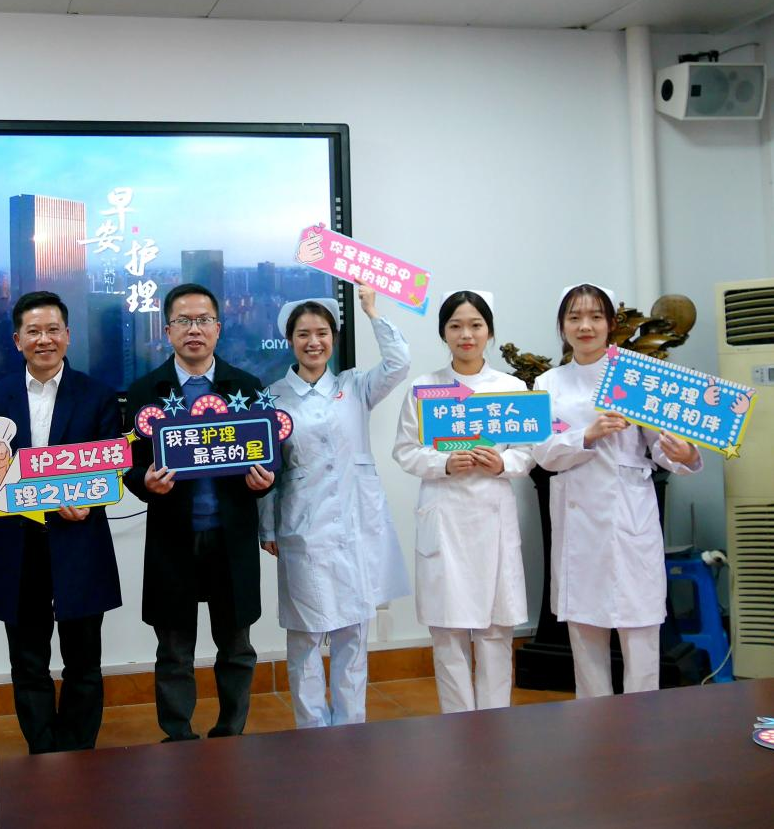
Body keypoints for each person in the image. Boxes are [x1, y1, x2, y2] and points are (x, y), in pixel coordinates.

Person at [532, 284, 702, 698]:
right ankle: (594, 726)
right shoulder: (547, 382)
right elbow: (542, 453)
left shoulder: (637, 375)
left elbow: (660, 446)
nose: (585, 326)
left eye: (595, 317)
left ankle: (642, 727)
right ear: (562, 326)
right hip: (578, 522)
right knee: (585, 634)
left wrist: (683, 452)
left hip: (629, 515)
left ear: (611, 324)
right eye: (574, 317)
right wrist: (586, 435)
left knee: (640, 630)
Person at [123, 282, 275, 742]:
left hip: (231, 537)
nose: (195, 330)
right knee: (173, 649)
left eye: (204, 320)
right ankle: (178, 738)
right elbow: (128, 465)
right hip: (172, 538)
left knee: (237, 646)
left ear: (218, 329)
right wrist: (144, 482)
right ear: (167, 330)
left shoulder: (246, 387)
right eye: (184, 321)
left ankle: (230, 734)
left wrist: (266, 479)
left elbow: (272, 457)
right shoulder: (145, 391)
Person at [0, 291, 123, 754]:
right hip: (19, 547)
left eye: (53, 330)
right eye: (33, 331)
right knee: (28, 662)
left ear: (68, 336)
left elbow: (108, 469)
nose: (44, 340)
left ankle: (78, 753)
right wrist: (5, 526)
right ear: (17, 340)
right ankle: (43, 753)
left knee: (84, 661)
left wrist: (90, 503)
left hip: (79, 541)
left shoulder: (97, 395)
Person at [259, 290, 411, 728]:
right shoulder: (272, 398)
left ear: (334, 338)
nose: (314, 342)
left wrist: (372, 311)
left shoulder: (355, 387)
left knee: (353, 634)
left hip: (355, 527)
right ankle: (312, 730)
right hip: (302, 529)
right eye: (303, 334)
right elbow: (267, 468)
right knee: (306, 635)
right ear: (290, 341)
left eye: (322, 333)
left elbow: (399, 362)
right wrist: (267, 528)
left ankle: (350, 727)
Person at [392, 290, 529, 713]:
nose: (466, 334)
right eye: (455, 326)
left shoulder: (511, 388)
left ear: (489, 331)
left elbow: (528, 451)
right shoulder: (424, 388)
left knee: (495, 629)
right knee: (448, 631)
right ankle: (458, 725)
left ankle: (494, 723)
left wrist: (502, 462)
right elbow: (405, 451)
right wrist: (444, 463)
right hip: (445, 514)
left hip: (493, 512)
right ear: (443, 333)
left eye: (475, 325)